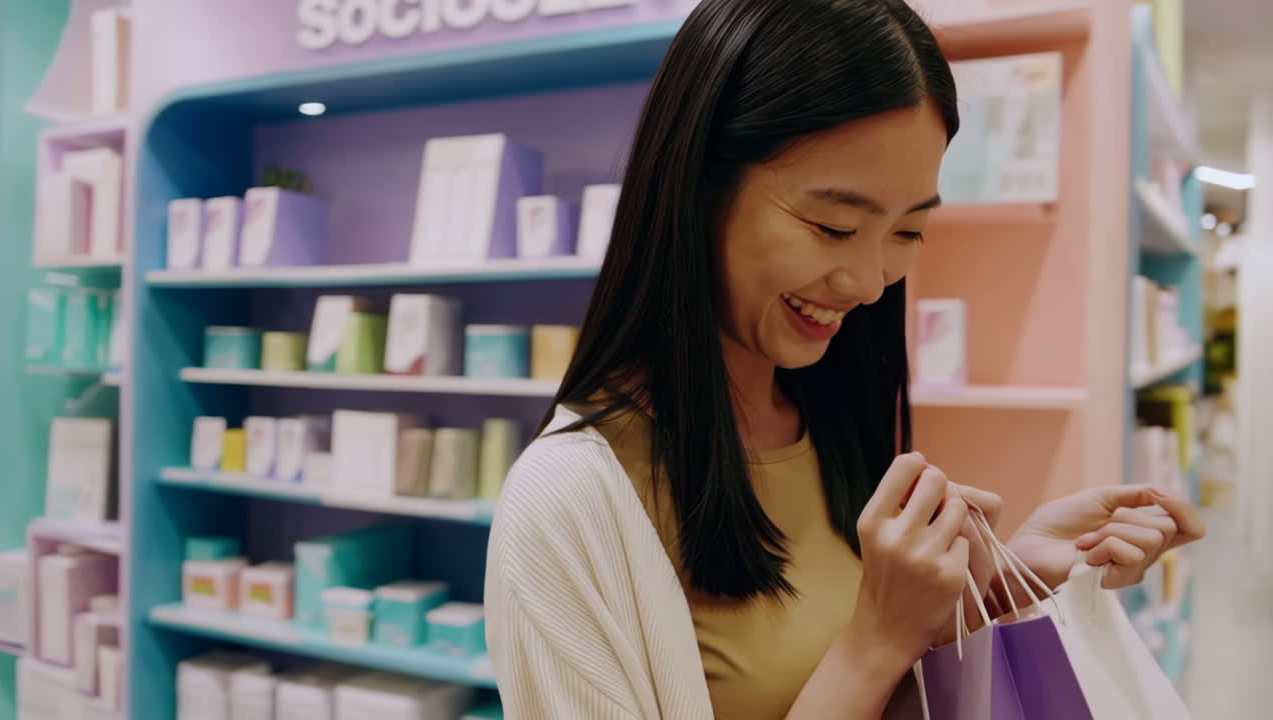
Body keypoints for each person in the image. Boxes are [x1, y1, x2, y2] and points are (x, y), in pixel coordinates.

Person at [484, 1, 1207, 718]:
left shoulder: (823, 416)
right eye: (835, 227)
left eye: (908, 231)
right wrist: (877, 638)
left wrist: (997, 588)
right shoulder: (565, 503)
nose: (868, 283)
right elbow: (857, 658)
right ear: (700, 186)